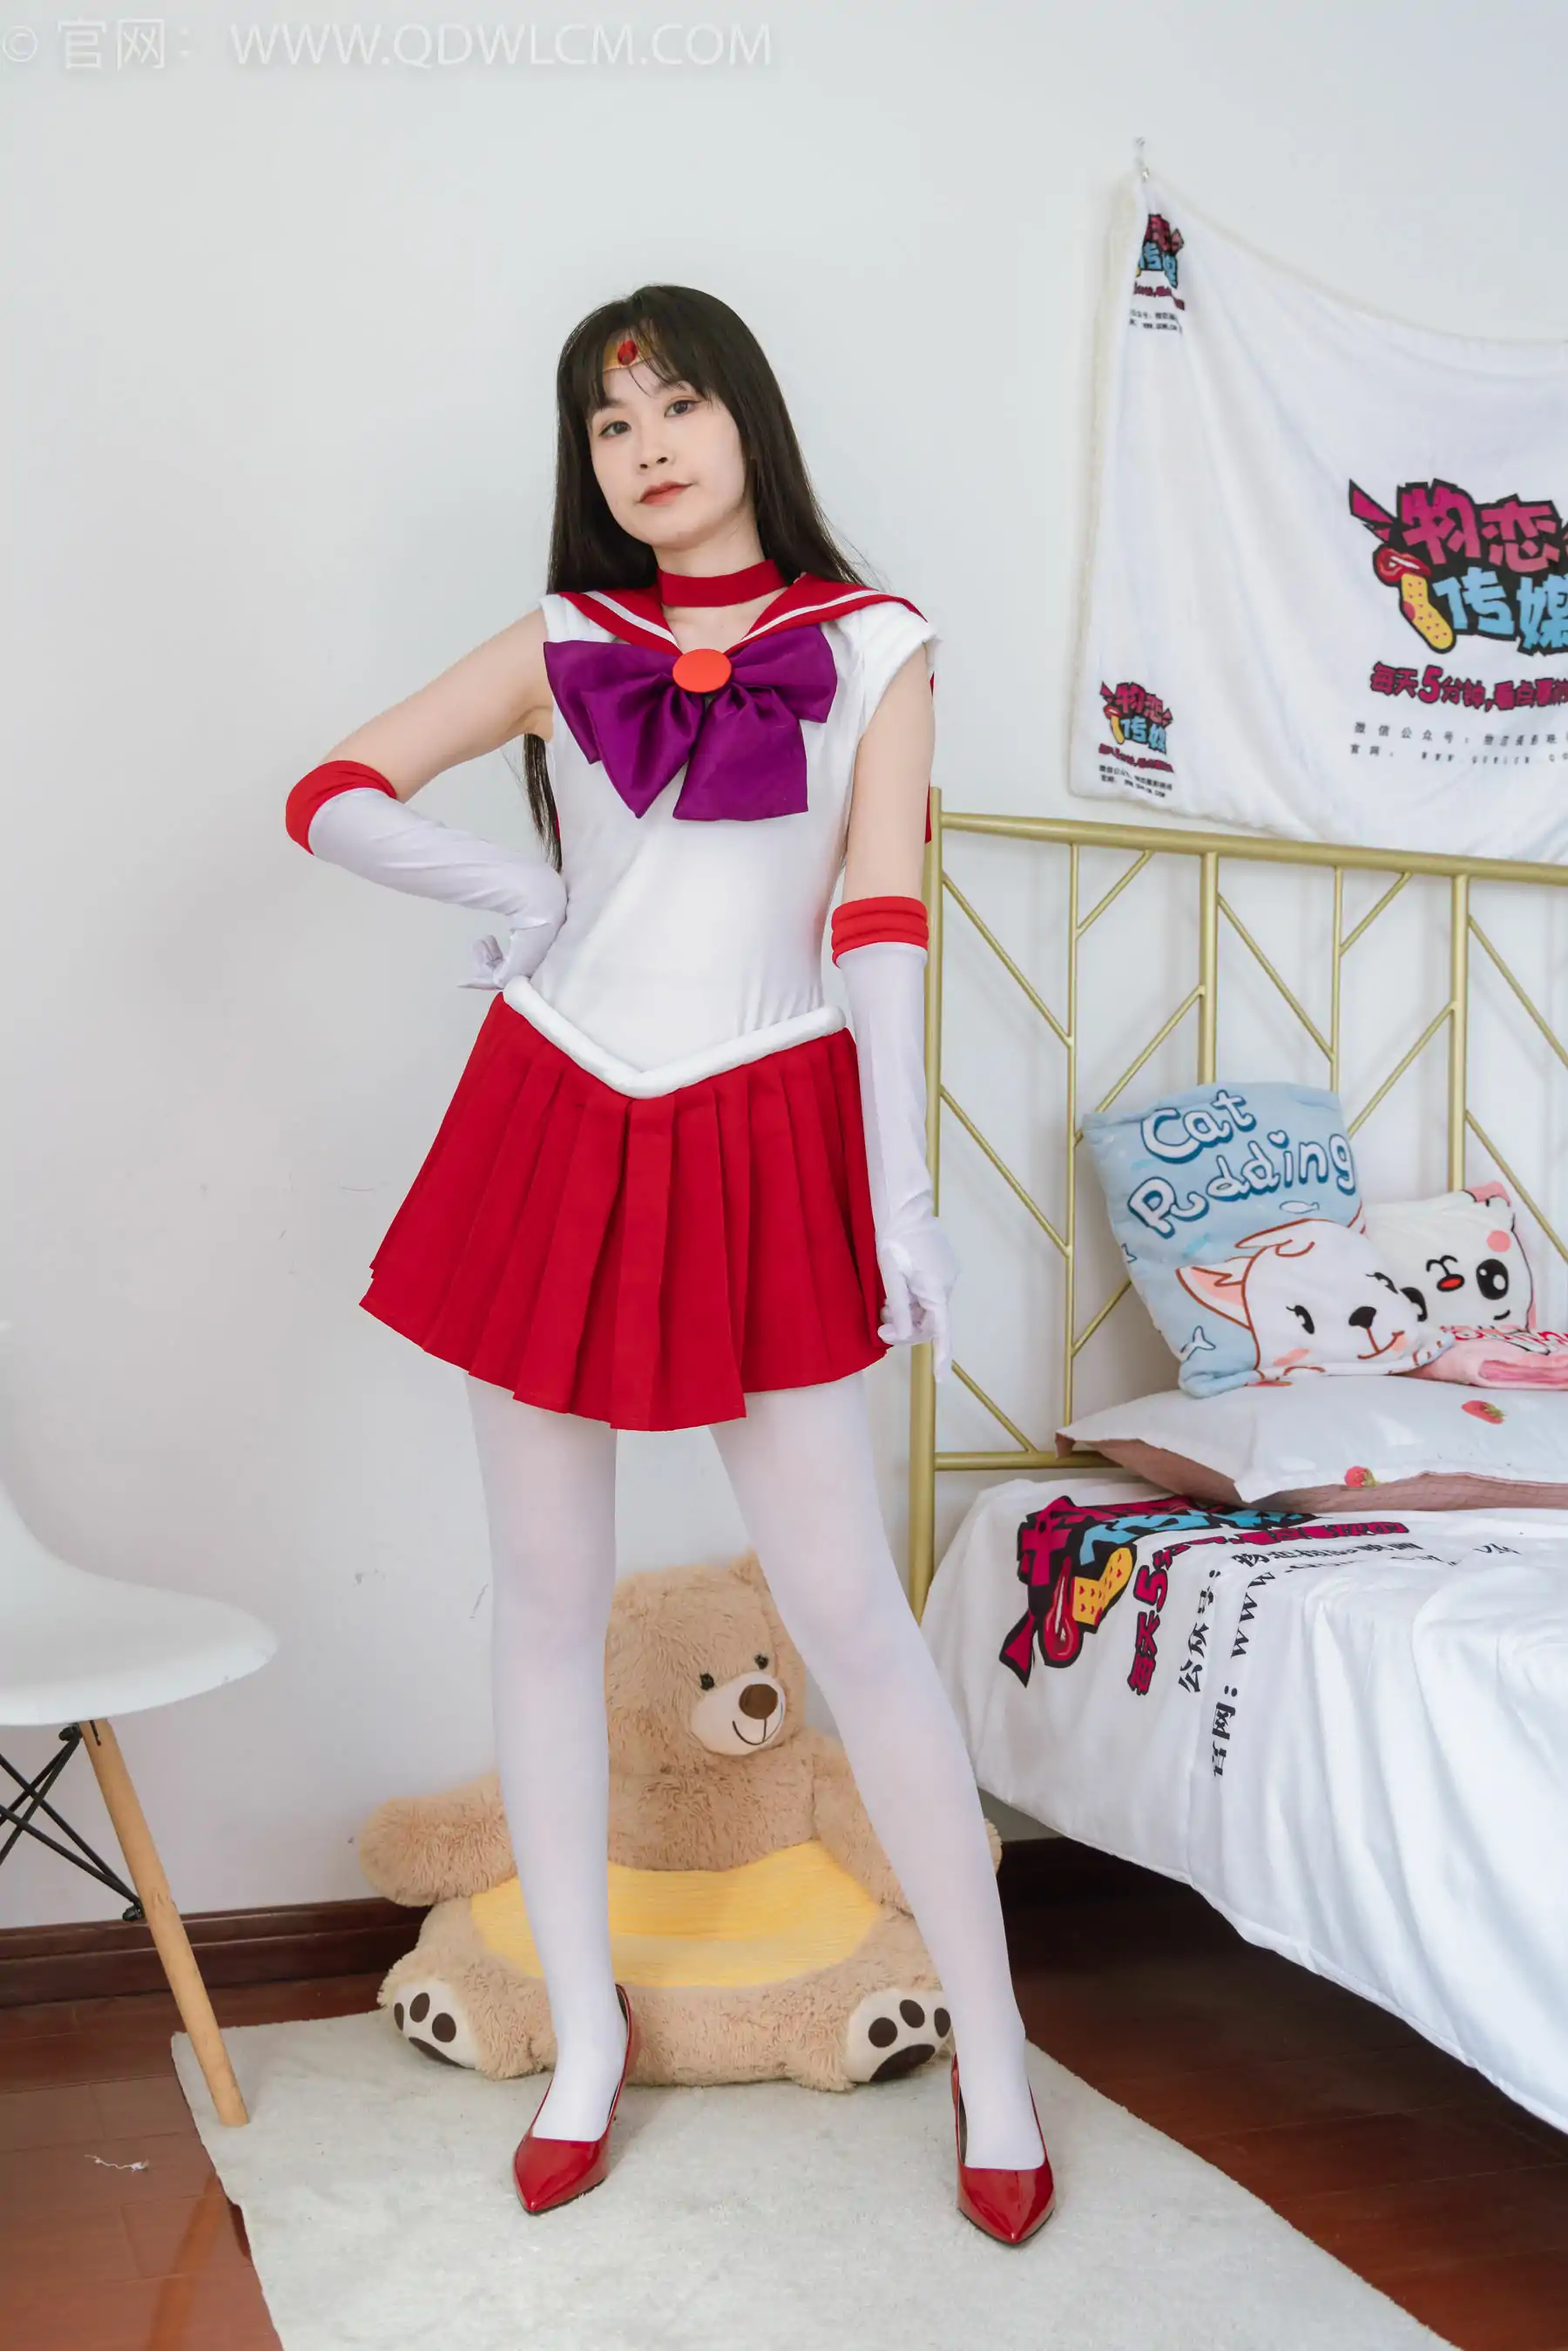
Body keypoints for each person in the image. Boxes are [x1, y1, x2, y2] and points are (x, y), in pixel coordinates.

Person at [284, 286, 1053, 2246]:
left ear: (745, 418)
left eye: (677, 406)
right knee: (546, 1599)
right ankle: (587, 2041)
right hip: (558, 1109)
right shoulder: (566, 639)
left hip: (765, 1119)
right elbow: (331, 794)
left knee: (850, 1609)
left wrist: (899, 1193)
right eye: (610, 427)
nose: (645, 449)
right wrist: (520, 887)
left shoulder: (875, 642)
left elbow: (880, 917)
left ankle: (998, 2048)